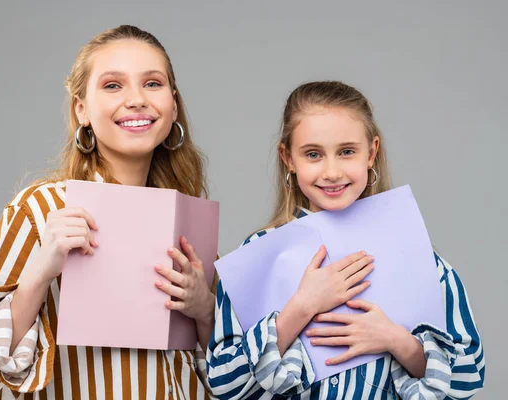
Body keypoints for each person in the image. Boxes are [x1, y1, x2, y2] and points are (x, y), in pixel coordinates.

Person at [0, 25, 216, 399]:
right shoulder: (41, 209)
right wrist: (40, 272)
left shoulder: (189, 220)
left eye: (152, 83)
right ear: (81, 109)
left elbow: (228, 378)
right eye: (112, 85)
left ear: (173, 104)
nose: (136, 99)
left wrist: (206, 311)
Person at [206, 81, 485, 399]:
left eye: (347, 151)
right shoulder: (257, 256)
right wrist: (301, 307)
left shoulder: (417, 256)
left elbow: (468, 377)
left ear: (372, 152)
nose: (332, 171)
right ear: (288, 159)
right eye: (313, 154)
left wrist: (397, 340)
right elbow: (225, 384)